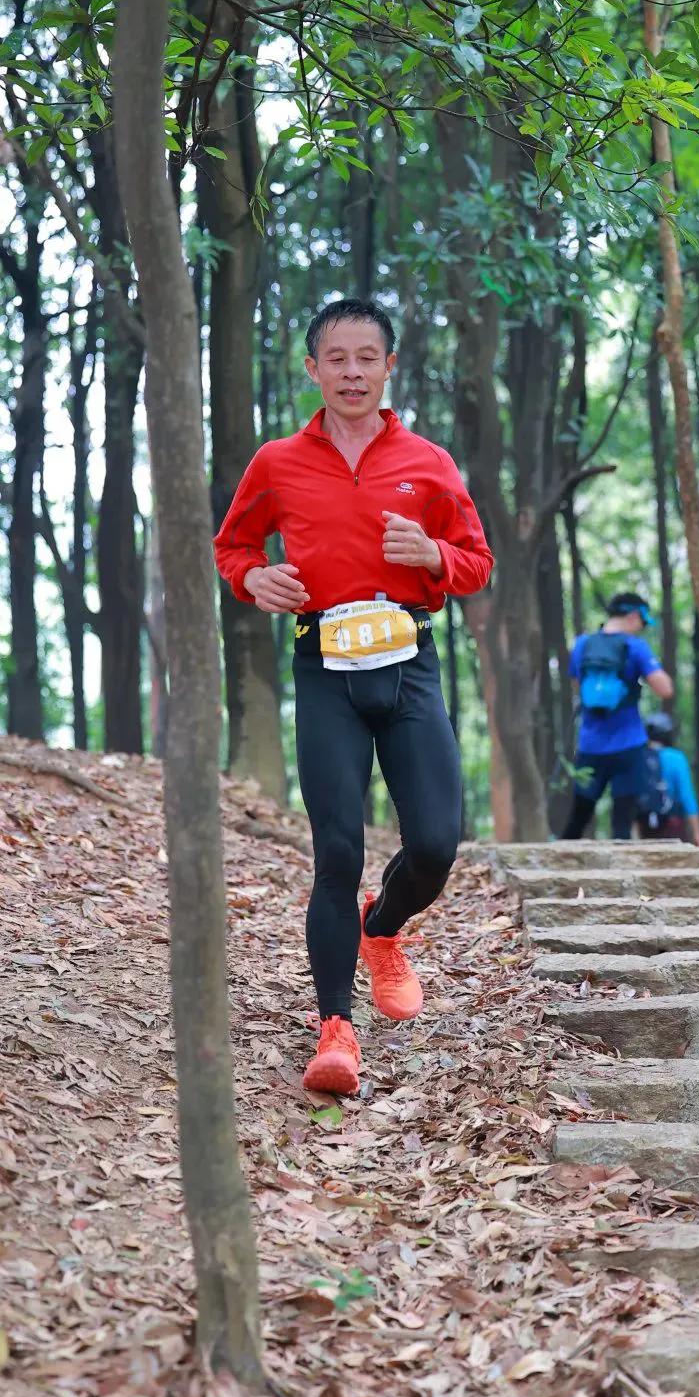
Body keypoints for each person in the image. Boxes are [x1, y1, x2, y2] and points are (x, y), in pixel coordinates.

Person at [214, 297, 493, 1097]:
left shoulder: (429, 463)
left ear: (388, 367)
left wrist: (434, 553)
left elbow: (477, 562)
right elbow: (233, 544)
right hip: (323, 662)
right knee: (335, 849)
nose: (351, 372)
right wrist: (252, 577)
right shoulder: (277, 463)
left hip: (408, 663)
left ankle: (383, 929)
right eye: (336, 358)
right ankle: (335, 1027)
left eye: (366, 357)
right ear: (313, 369)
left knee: (437, 843)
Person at [562, 591, 675, 840]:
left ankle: (551, 873)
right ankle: (620, 877)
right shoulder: (635, 647)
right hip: (629, 744)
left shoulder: (583, 644)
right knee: (622, 824)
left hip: (590, 744)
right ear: (634, 616)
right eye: (643, 623)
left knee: (578, 818)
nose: (642, 629)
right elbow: (665, 689)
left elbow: (576, 684)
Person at [636, 712, 699, 848]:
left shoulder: (639, 758)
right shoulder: (676, 758)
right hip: (672, 825)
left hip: (644, 826)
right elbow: (687, 797)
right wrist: (698, 833)